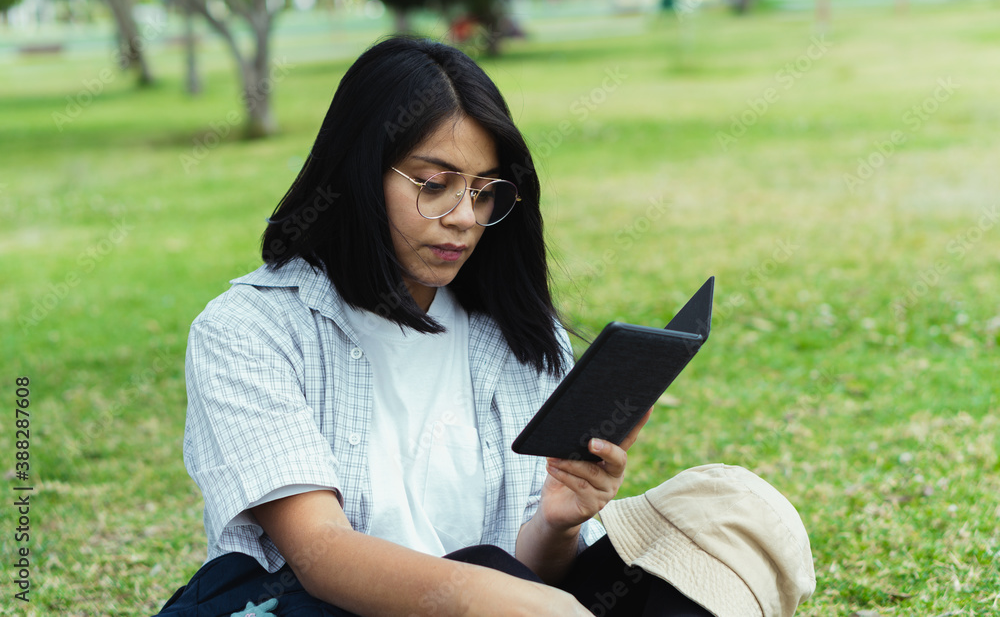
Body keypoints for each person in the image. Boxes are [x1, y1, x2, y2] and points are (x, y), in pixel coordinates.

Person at [156, 37, 814, 617]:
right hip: (337, 608)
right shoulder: (250, 329)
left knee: (733, 509)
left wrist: (557, 522)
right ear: (357, 172)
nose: (464, 216)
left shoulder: (519, 334)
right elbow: (322, 553)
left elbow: (531, 570)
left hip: (517, 599)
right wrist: (495, 592)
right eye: (435, 183)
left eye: (483, 191)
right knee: (484, 567)